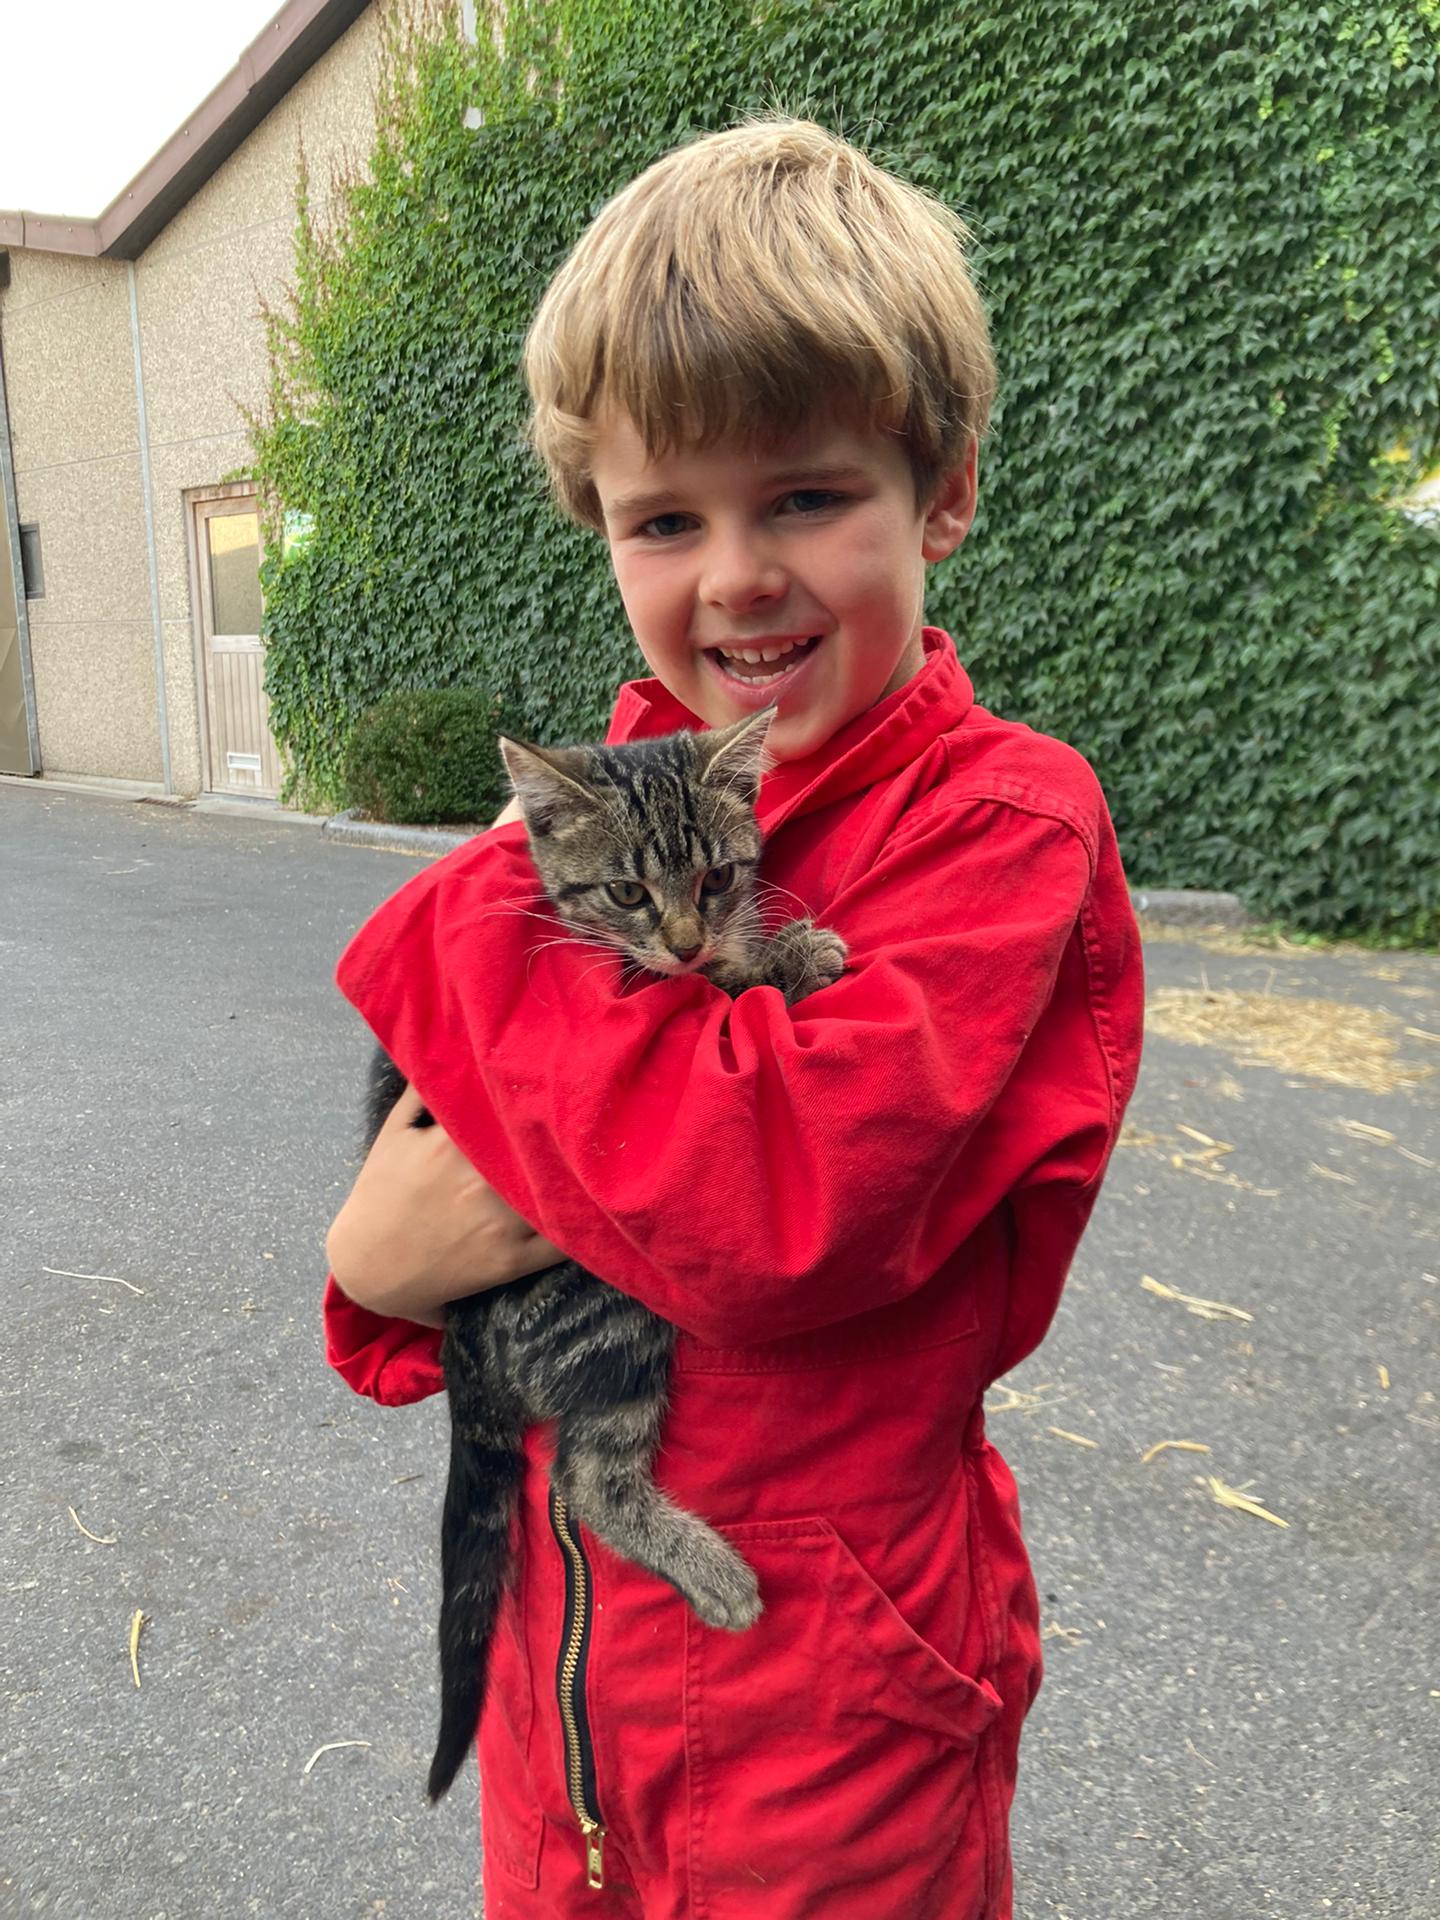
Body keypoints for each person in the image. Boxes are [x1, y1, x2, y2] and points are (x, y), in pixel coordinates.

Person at [323, 117, 1144, 1919]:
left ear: (943, 495)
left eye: (807, 498)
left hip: (828, 1713)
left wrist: (459, 923)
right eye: (666, 519)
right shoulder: (611, 796)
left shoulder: (1005, 830)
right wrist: (374, 1266)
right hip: (570, 1687)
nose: (737, 576)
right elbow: (429, 1182)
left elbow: (763, 1199)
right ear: (602, 532)